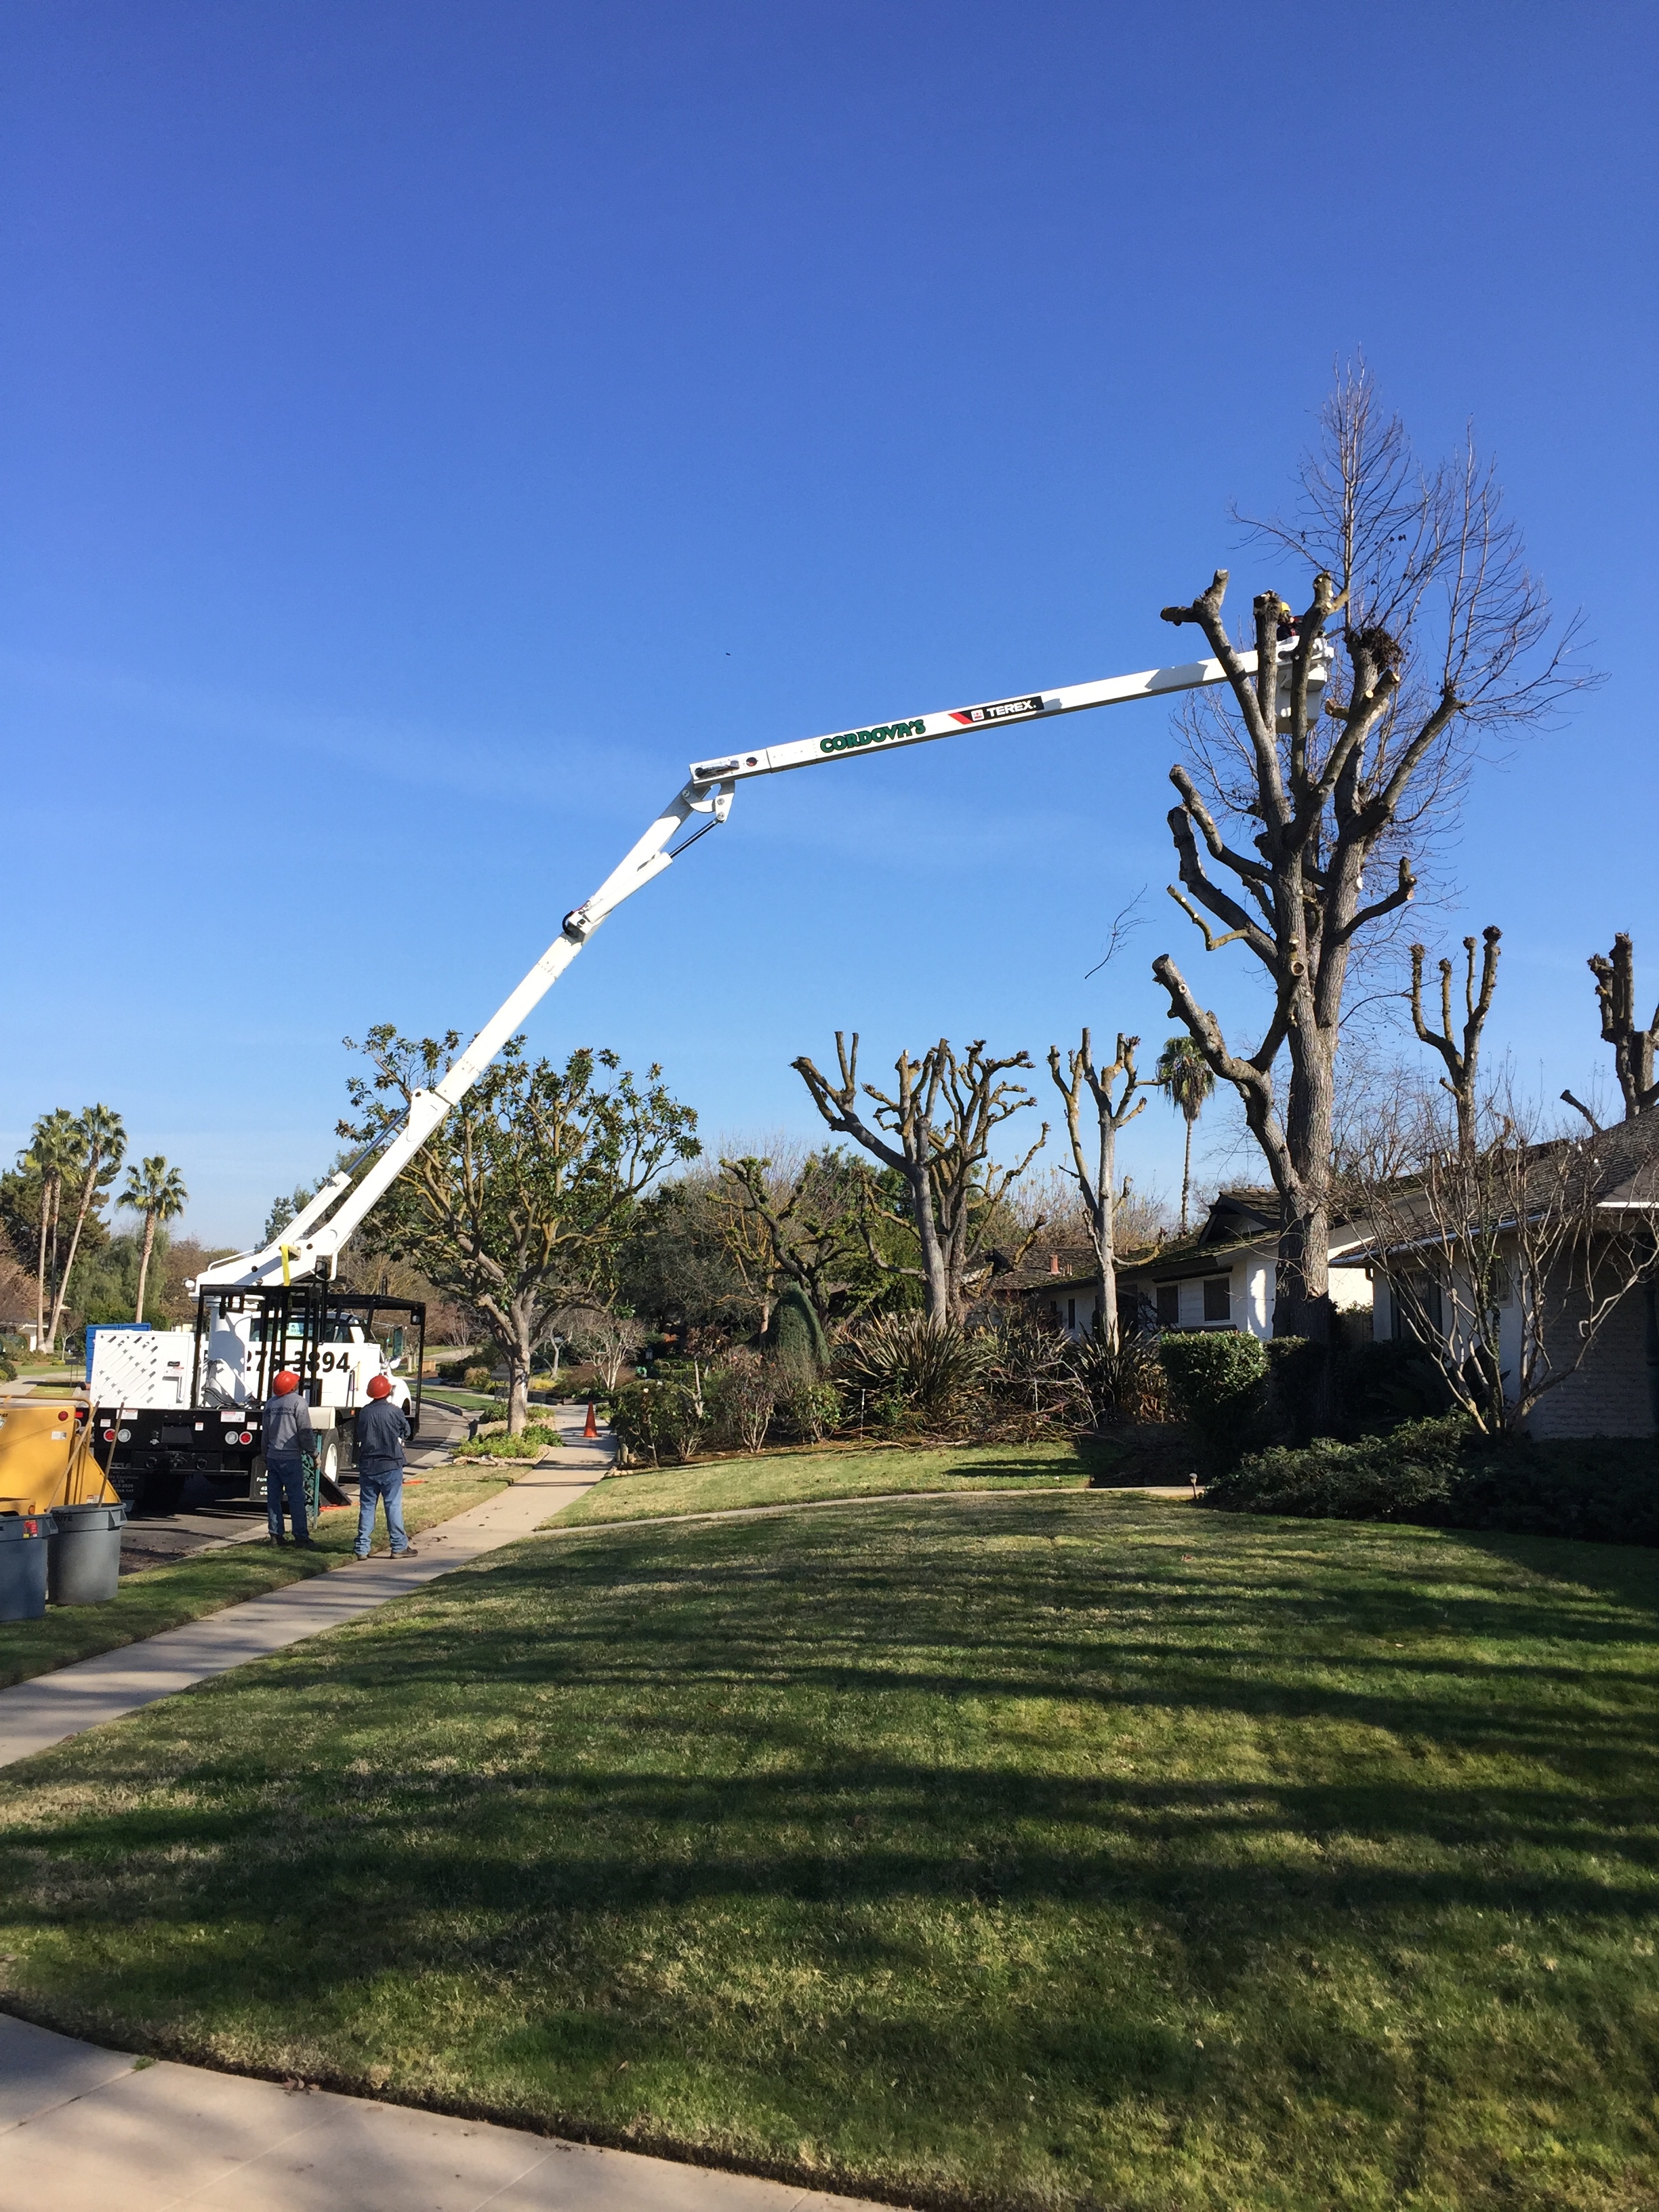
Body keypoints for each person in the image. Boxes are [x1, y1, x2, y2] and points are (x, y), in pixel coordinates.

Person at [353, 1372, 417, 1559]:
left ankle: (362, 1548)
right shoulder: (395, 1411)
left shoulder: (364, 1413)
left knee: (367, 1507)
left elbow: (359, 1435)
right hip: (391, 1465)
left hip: (368, 1466)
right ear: (389, 1392)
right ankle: (398, 1546)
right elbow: (407, 1432)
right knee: (392, 1506)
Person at [262, 1369, 316, 1547]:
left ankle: (275, 1535)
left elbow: (265, 1434)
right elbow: (305, 1432)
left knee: (274, 1498)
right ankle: (300, 1536)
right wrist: (313, 1453)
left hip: (273, 1457)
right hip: (291, 1458)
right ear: (292, 1386)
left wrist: (265, 1454)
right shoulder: (299, 1402)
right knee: (296, 1498)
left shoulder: (270, 1405)